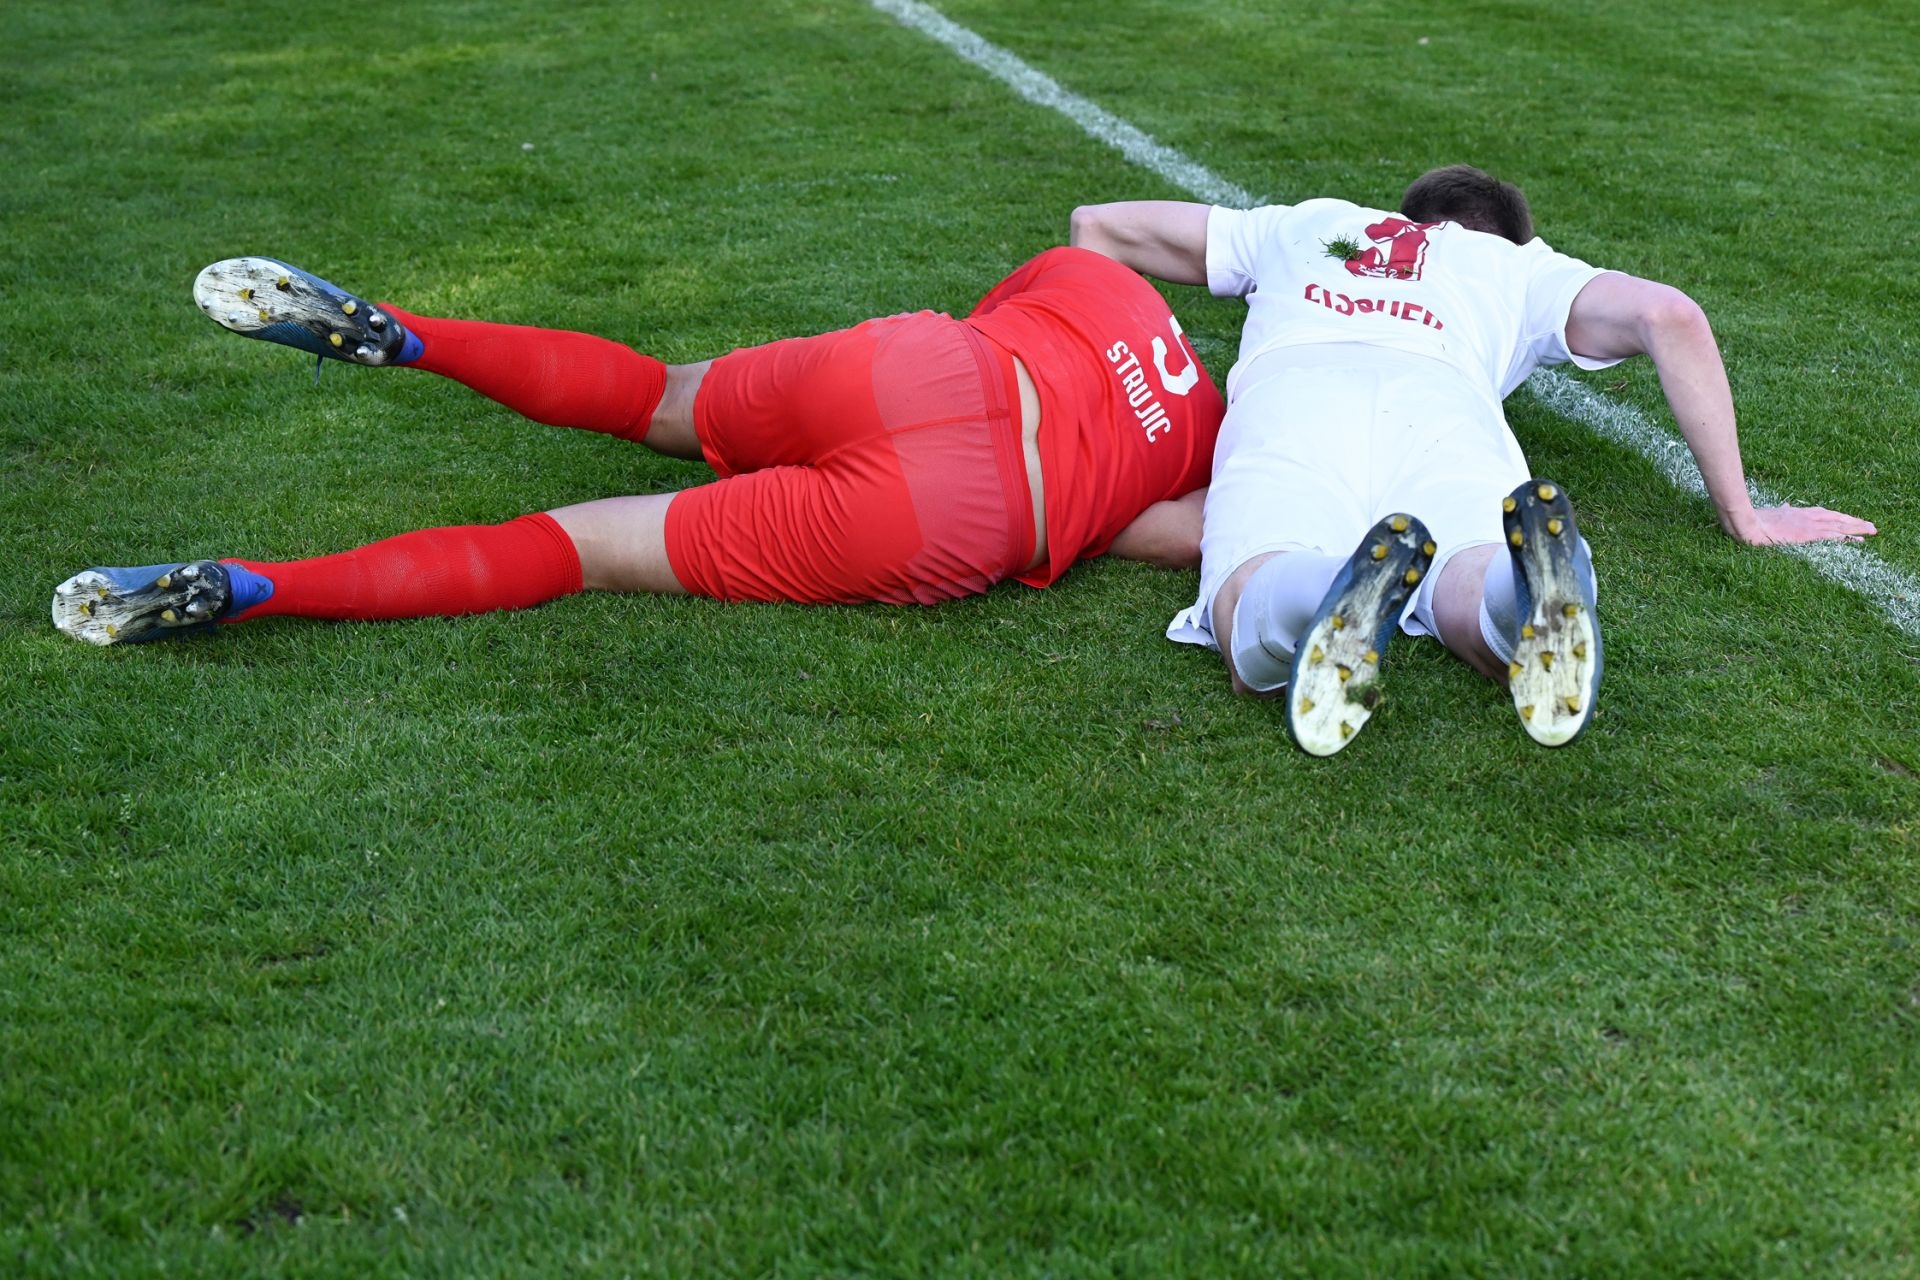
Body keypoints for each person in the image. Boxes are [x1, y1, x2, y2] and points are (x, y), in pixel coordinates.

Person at [1069, 165, 1876, 756]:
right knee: (1473, 571)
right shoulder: (1518, 267)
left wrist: (1104, 394)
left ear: (1408, 214)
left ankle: (1322, 588)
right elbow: (1669, 313)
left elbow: (1098, 225)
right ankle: (1518, 592)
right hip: (1445, 411)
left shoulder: (1308, 222)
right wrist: (1743, 512)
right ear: (1504, 234)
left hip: (1296, 392)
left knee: (1250, 606)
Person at [51, 245, 1224, 645]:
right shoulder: (1216, 445)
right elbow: (1159, 534)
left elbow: (1034, 275)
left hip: (925, 366)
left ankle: (414, 334)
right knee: (575, 545)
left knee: (663, 398)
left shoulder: (1103, 277)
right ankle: (264, 588)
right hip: (963, 510)